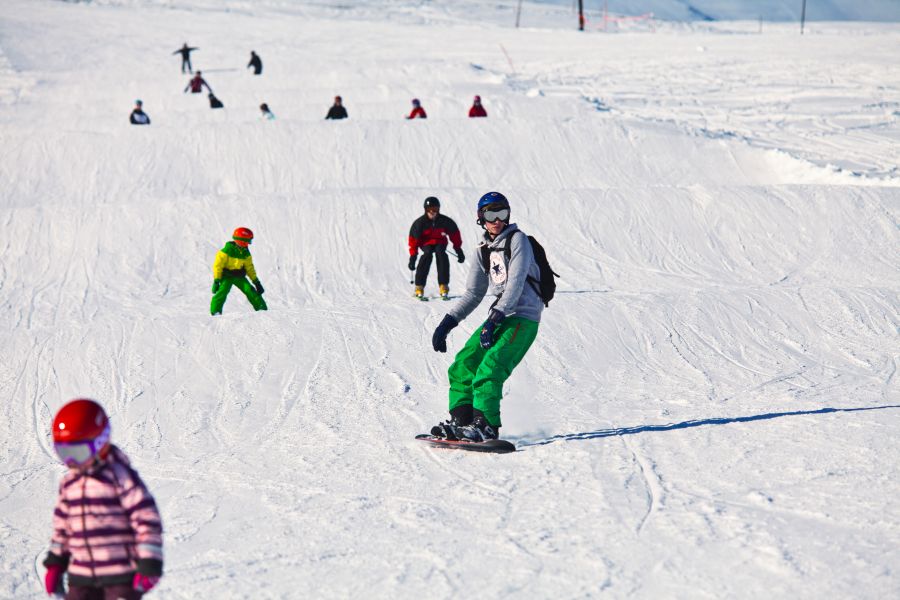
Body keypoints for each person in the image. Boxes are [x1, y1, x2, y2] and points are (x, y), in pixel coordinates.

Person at [429, 192, 542, 442]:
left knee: (490, 367)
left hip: (522, 317)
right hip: (500, 315)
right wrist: (448, 323)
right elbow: (473, 293)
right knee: (464, 363)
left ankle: (486, 424)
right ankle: (462, 421)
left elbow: (515, 283)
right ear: (481, 218)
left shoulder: (517, 240)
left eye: (502, 213)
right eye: (491, 214)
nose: (497, 220)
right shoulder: (483, 250)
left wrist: (493, 320)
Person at [43, 398, 164, 599]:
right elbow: (62, 529)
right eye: (64, 453)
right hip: (80, 578)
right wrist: (56, 562)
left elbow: (146, 518)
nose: (71, 462)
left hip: (120, 576)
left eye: (77, 453)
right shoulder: (69, 484)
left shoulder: (119, 476)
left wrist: (149, 562)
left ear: (101, 444)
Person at [408, 196, 464, 300]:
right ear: (425, 210)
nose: (432, 212)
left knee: (441, 253)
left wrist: (458, 250)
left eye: (435, 209)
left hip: (440, 242)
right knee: (427, 254)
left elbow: (454, 234)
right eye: (429, 210)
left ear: (438, 209)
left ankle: (443, 286)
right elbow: (413, 241)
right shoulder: (420, 223)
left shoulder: (444, 221)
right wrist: (413, 257)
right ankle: (419, 286)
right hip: (426, 243)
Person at [211, 227, 267, 315]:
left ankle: (262, 309)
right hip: (226, 276)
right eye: (247, 241)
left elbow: (249, 268)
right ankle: (215, 311)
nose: (248, 244)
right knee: (222, 291)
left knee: (250, 290)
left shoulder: (246, 253)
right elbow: (218, 266)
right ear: (241, 241)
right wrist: (216, 280)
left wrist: (256, 282)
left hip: (239, 276)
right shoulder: (226, 251)